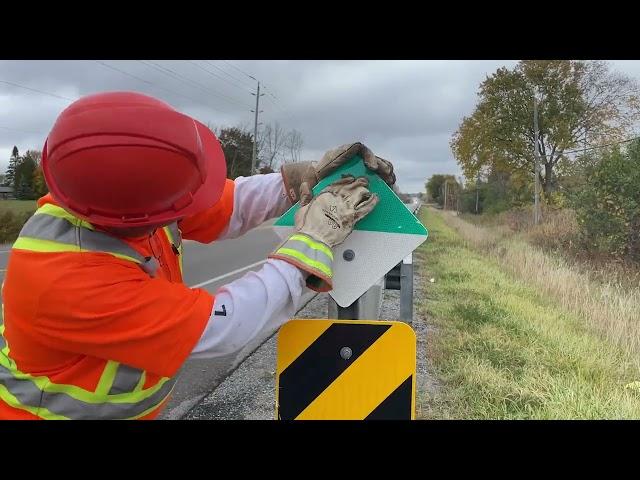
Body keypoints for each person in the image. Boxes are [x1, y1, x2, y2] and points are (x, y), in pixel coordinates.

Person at [0, 91, 395, 420]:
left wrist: (303, 178)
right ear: (139, 212)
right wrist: (312, 240)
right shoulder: (66, 279)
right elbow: (224, 326)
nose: (182, 209)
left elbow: (232, 204)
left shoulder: (110, 198)